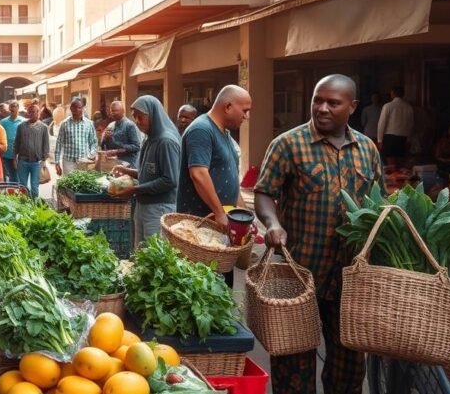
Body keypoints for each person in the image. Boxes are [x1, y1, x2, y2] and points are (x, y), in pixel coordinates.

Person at [254, 75, 382, 394]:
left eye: (333, 103)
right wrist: (272, 223)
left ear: (352, 107)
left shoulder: (367, 149)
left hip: (351, 278)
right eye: (317, 100)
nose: (322, 108)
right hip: (300, 275)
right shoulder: (287, 144)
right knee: (293, 366)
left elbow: (379, 203)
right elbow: (264, 193)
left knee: (349, 367)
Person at [176, 85, 251, 226]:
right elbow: (198, 174)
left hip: (219, 223)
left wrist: (242, 214)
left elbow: (231, 180)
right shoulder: (201, 129)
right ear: (228, 107)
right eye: (245, 110)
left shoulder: (225, 133)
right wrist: (219, 213)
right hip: (199, 225)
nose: (247, 116)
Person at [111, 96, 180, 246]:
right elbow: (148, 174)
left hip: (159, 208)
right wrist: (127, 171)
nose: (137, 121)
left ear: (153, 115)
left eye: (140, 117)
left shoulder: (166, 141)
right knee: (141, 252)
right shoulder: (149, 139)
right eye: (134, 117)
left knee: (153, 255)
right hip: (143, 204)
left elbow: (170, 180)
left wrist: (135, 189)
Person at [14, 102, 51, 198]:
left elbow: (46, 145)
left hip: (36, 163)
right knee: (22, 187)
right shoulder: (21, 127)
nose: (31, 114)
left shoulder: (43, 128)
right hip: (23, 162)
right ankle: (24, 206)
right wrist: (14, 158)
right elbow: (16, 143)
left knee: (34, 188)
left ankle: (34, 207)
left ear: (38, 113)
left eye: (34, 112)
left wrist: (44, 161)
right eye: (29, 112)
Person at [55, 99, 98, 176]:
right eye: (74, 107)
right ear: (71, 108)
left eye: (79, 107)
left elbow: (94, 142)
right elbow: (59, 143)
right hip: (68, 163)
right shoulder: (64, 124)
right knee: (68, 185)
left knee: (83, 185)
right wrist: (57, 162)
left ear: (83, 108)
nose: (77, 110)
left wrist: (90, 156)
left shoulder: (89, 124)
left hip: (85, 162)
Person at [377, 85, 413, 166]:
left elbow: (382, 124)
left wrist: (380, 140)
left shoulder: (388, 106)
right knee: (401, 164)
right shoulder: (409, 107)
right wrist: (409, 139)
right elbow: (411, 125)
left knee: (391, 164)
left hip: (390, 138)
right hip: (404, 137)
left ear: (392, 93)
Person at [101, 100, 142, 168]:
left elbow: (136, 147)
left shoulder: (129, 125)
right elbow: (104, 146)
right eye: (111, 111)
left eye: (115, 111)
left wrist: (116, 151)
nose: (112, 113)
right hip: (114, 163)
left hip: (128, 164)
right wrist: (105, 139)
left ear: (123, 111)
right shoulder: (111, 125)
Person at [0, 101, 26, 183]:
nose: (12, 108)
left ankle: (20, 192)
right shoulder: (3, 122)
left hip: (20, 154)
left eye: (14, 106)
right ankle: (14, 193)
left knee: (19, 176)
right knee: (12, 176)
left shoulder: (24, 121)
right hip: (7, 154)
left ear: (18, 108)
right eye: (11, 107)